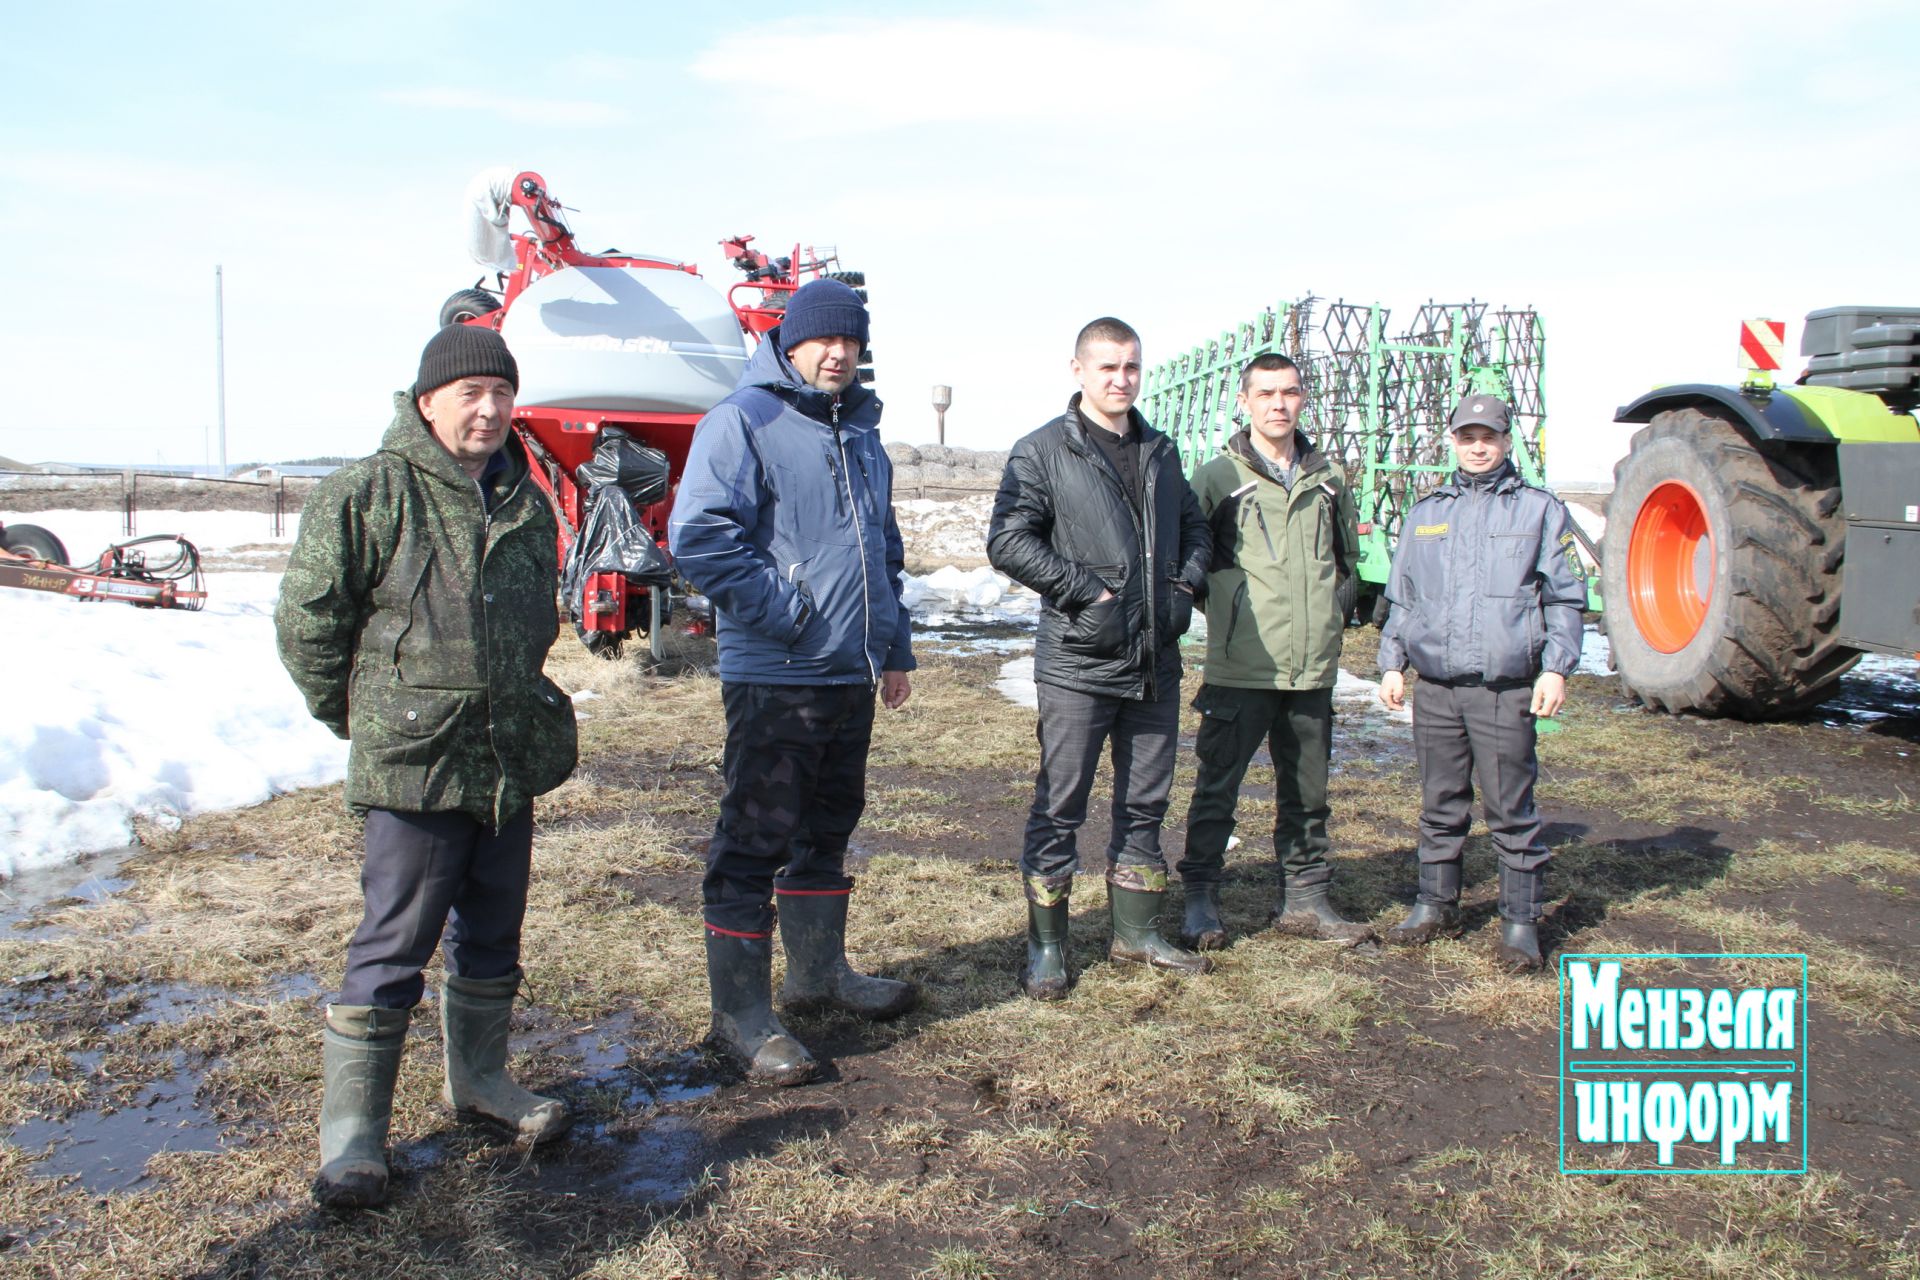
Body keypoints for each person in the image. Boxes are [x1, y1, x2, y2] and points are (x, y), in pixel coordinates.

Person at [276, 324, 580, 1210]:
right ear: (427, 403)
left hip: (504, 761)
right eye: (469, 395)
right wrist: (367, 718)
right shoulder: (369, 492)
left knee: (492, 931)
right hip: (415, 764)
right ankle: (354, 1142)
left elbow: (533, 624)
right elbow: (310, 624)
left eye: (501, 395)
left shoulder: (524, 498)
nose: (487, 411)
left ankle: (480, 1084)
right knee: (393, 943)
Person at [668, 278, 917, 1086]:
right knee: (753, 840)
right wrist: (795, 617)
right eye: (823, 340)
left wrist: (896, 645)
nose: (838, 354)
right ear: (790, 341)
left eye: (852, 341)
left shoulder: (862, 435)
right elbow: (701, 537)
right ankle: (740, 1014)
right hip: (778, 673)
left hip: (852, 671)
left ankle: (818, 976)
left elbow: (883, 550)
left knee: (829, 824)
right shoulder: (744, 421)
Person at [987, 316, 1212, 1000]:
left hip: (1154, 662)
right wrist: (1087, 590)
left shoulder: (1162, 452)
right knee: (1060, 805)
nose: (1121, 380)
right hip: (1080, 663)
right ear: (1078, 369)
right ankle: (1049, 948)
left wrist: (1185, 585)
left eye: (1132, 367)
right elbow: (1008, 539)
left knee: (1145, 802)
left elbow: (1197, 528)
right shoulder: (1044, 451)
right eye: (1108, 367)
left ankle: (1136, 933)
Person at [1375, 394, 1586, 969]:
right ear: (1452, 440)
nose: (1477, 447)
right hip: (1437, 688)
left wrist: (1555, 668)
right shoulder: (1425, 513)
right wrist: (1392, 662)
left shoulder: (1539, 511)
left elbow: (1566, 598)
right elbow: (1403, 598)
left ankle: (1520, 923)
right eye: (1467, 437)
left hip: (1504, 690)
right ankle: (1435, 904)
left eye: (1488, 437)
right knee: (1440, 802)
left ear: (1506, 441)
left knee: (1510, 809)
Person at [1179, 353, 1369, 950]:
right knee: (1218, 786)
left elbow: (1346, 564)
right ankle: (1201, 896)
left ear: (1302, 399)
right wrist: (1232, 617)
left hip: (1312, 667)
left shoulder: (1329, 480)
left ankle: (1307, 897)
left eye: (1288, 393)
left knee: (1308, 789)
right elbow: (1193, 565)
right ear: (1245, 401)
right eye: (1265, 394)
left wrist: (1332, 619)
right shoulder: (1217, 479)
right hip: (1243, 666)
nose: (1278, 404)